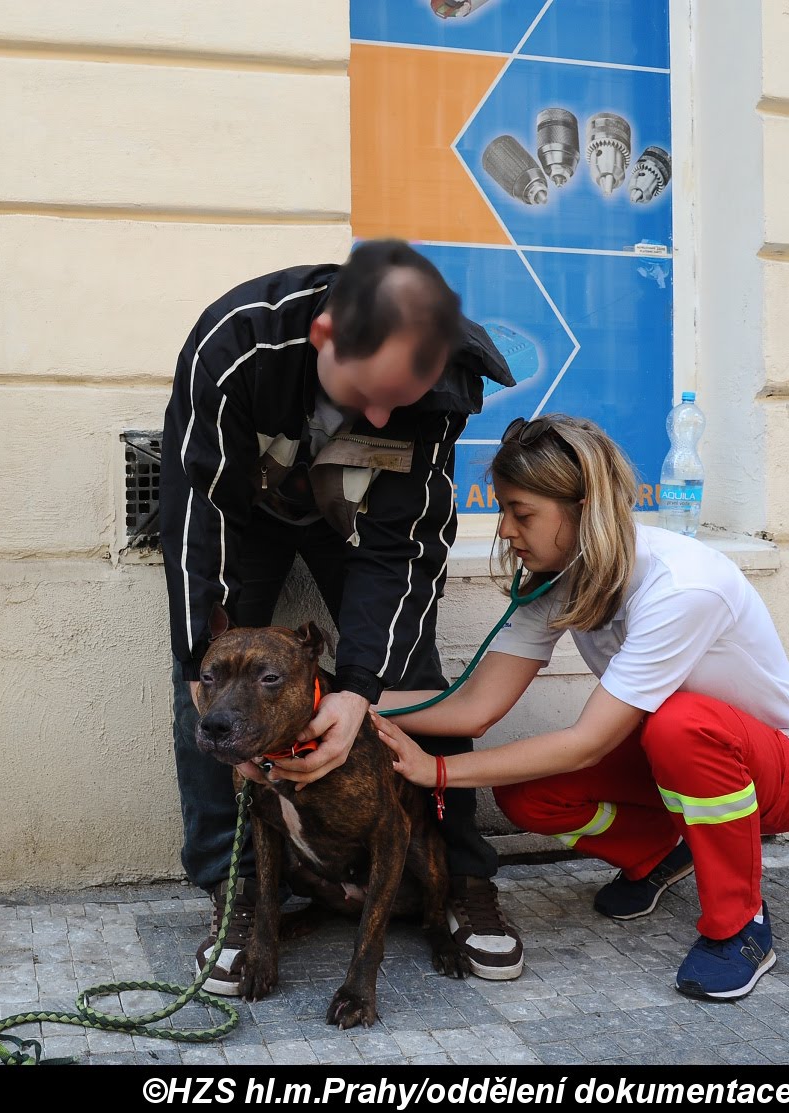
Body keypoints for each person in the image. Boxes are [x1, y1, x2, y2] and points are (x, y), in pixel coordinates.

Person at [161, 238, 524, 993]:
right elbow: (199, 515)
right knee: (209, 681)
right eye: (372, 393)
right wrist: (200, 655)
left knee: (409, 669)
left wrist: (358, 686)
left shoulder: (438, 380)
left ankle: (461, 876)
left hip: (358, 519)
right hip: (245, 514)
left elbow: (404, 548)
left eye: (403, 399)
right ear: (324, 336)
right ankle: (236, 889)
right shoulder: (236, 346)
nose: (386, 415)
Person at [374, 413, 789, 1001]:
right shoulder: (561, 575)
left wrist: (436, 770)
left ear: (584, 509)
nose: (506, 530)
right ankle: (659, 853)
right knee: (529, 791)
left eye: (522, 513)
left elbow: (588, 743)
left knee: (680, 723)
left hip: (786, 775)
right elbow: (471, 708)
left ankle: (740, 925)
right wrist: (347, 703)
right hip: (673, 763)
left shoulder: (681, 586)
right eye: (505, 511)